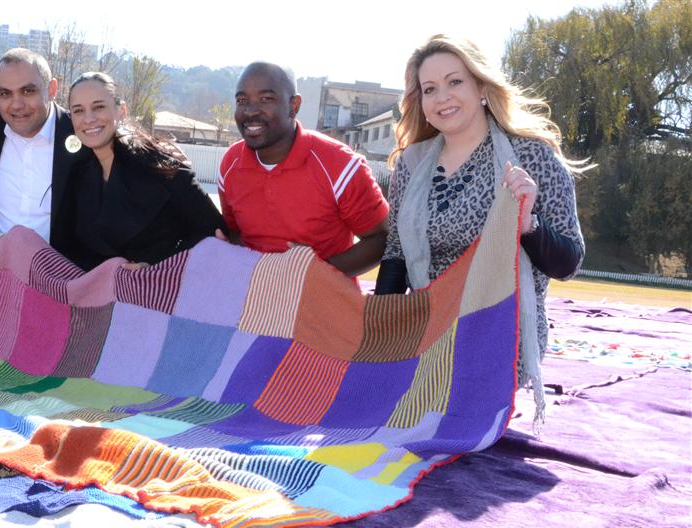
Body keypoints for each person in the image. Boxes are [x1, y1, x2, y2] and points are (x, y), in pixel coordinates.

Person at [373, 35, 586, 411]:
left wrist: (527, 224)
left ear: (482, 87)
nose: (442, 97)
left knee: (448, 421)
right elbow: (396, 256)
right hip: (427, 333)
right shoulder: (410, 164)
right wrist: (377, 339)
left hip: (500, 338)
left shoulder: (532, 156)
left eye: (455, 82)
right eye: (429, 89)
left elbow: (568, 263)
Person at [217, 62, 389, 276]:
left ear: (294, 105)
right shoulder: (230, 163)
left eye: (266, 99)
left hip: (321, 295)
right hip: (251, 293)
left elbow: (381, 238)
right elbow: (235, 232)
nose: (250, 111)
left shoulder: (340, 164)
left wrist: (314, 273)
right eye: (242, 101)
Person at [58, 72, 225, 270]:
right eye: (78, 110)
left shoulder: (160, 166)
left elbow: (214, 231)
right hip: (97, 287)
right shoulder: (77, 174)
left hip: (161, 285)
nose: (88, 118)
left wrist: (157, 267)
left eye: (99, 107)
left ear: (121, 111)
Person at [0, 48, 80, 250]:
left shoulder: (78, 134)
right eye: (5, 93)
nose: (16, 105)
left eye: (28, 91)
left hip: (57, 266)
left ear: (52, 89)